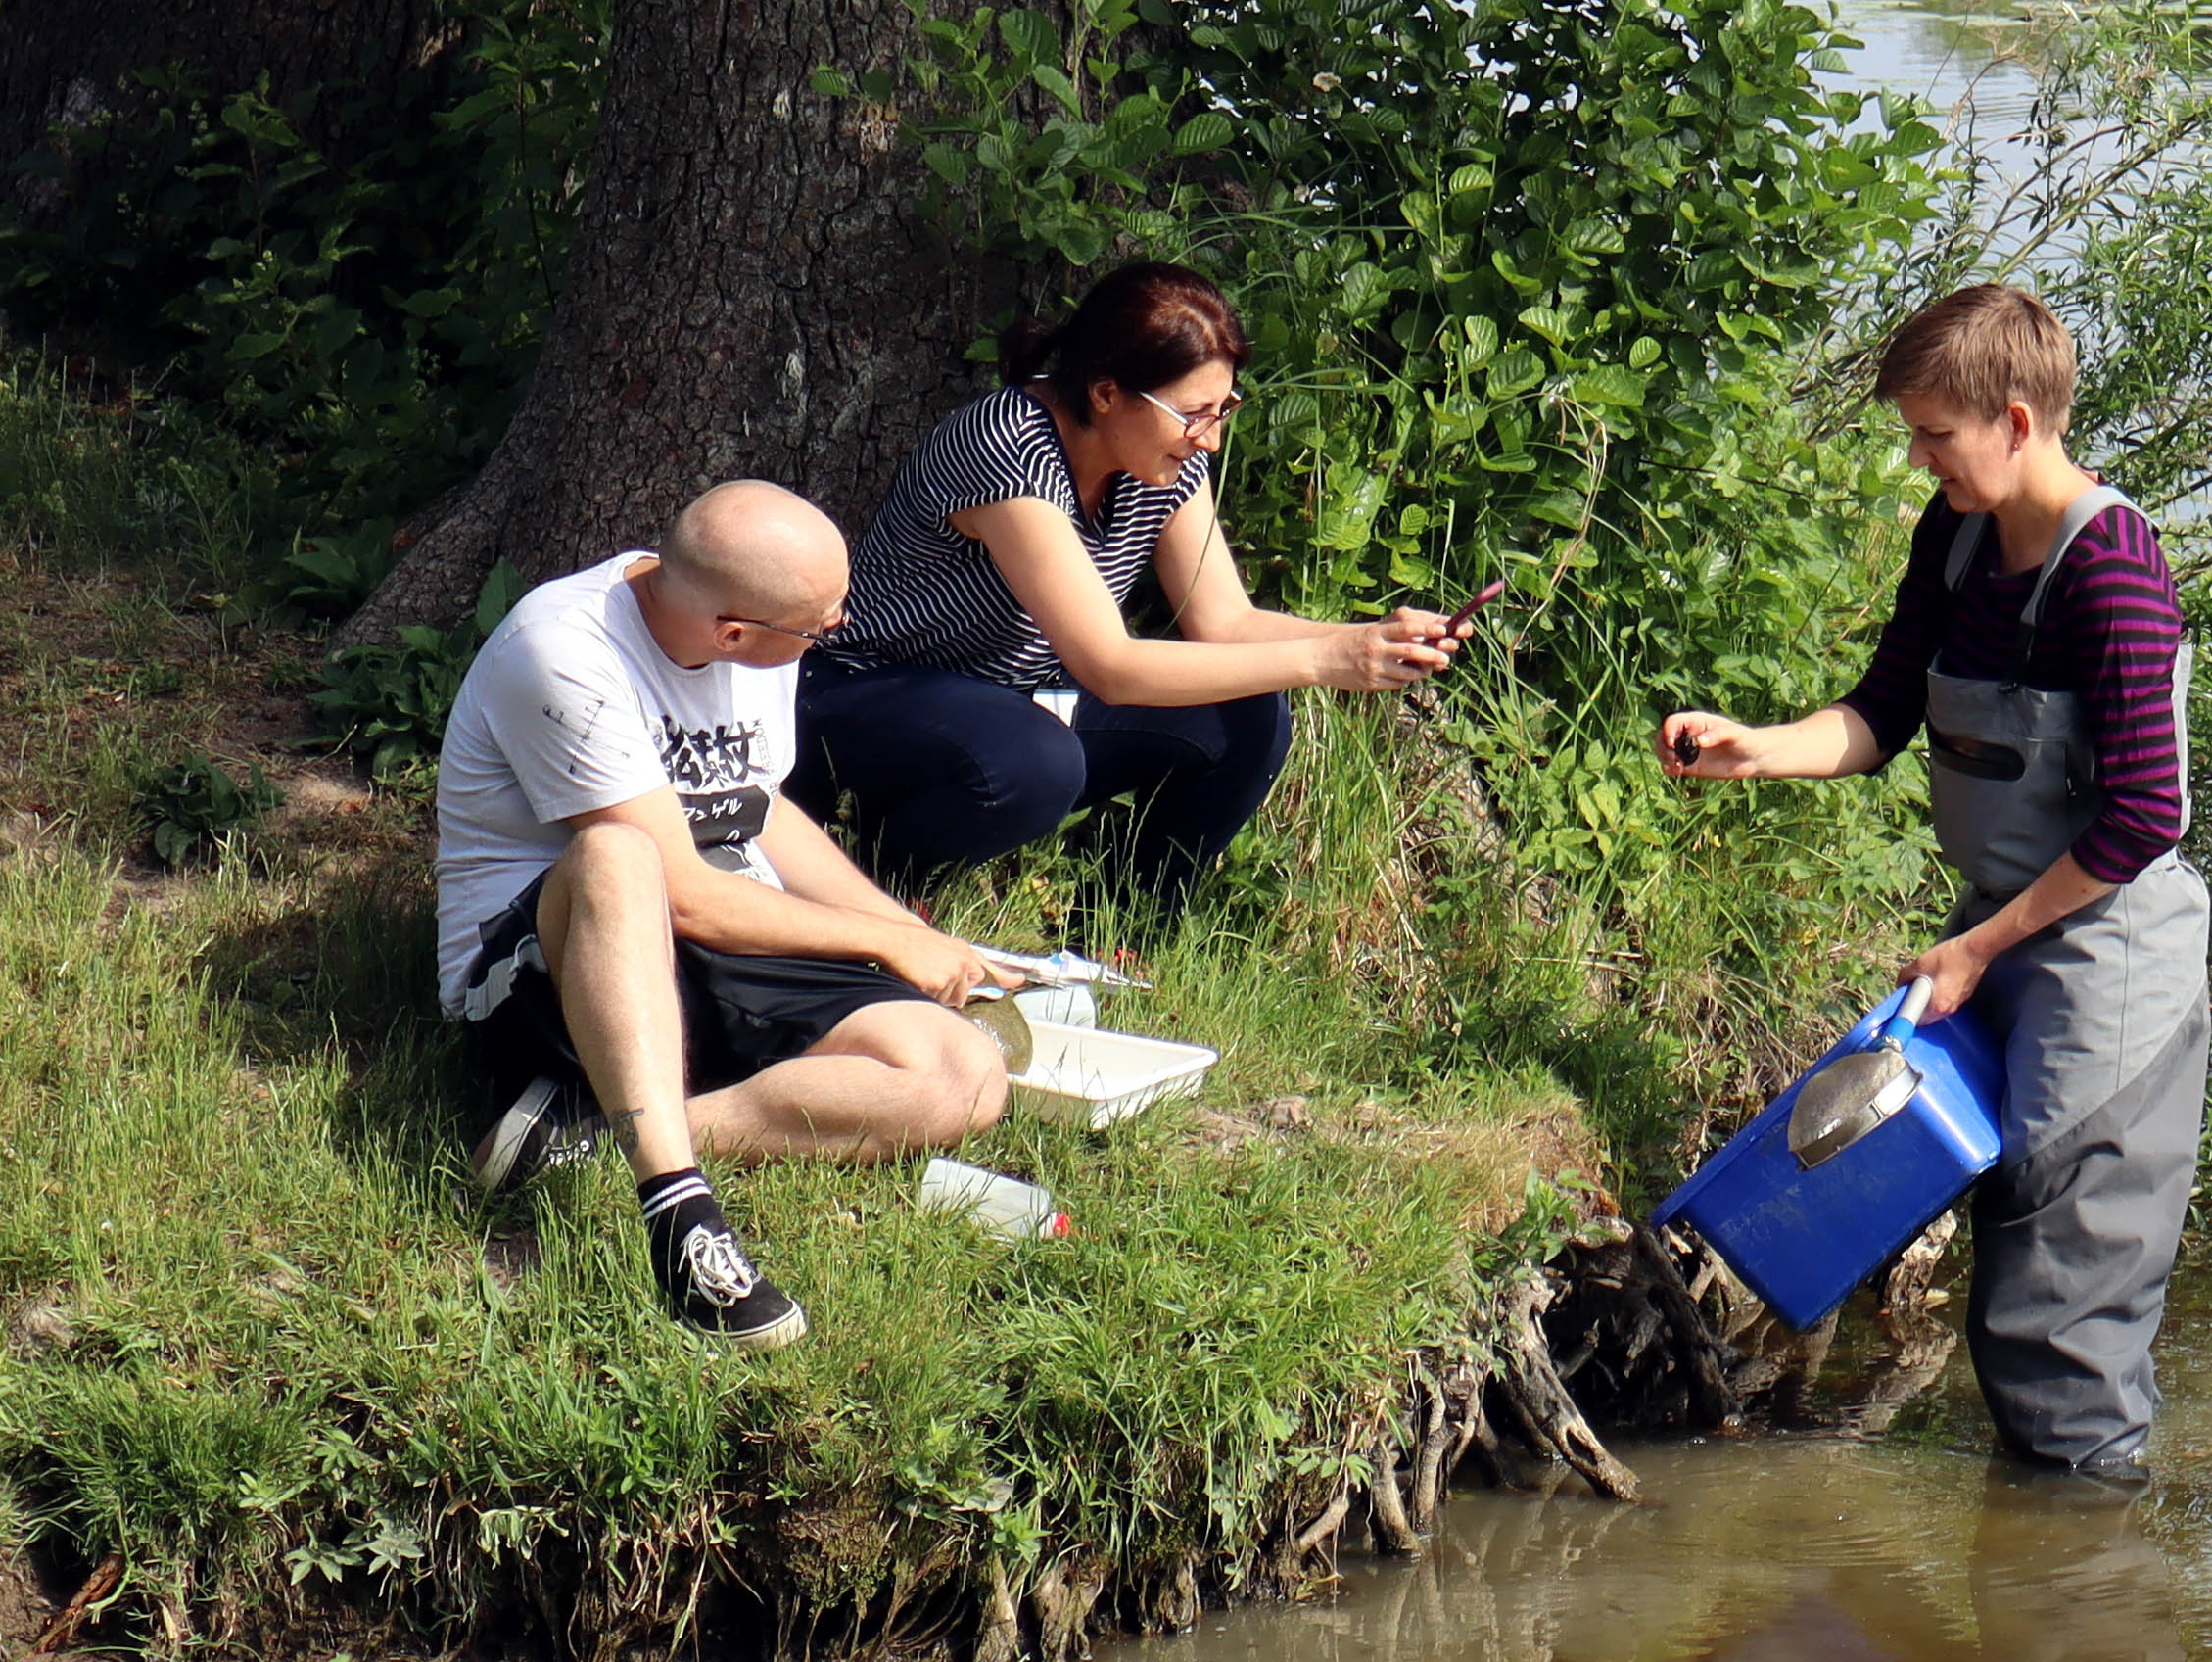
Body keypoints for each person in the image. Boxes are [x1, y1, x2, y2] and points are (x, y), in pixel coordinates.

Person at [1660, 284, 2208, 1490]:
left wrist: (1972, 951)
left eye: (1934, 435)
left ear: (2016, 420)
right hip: (2009, 939)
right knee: (2009, 1247)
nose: (1919, 457)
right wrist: (1755, 745)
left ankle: (2083, 1574)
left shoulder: (2113, 573)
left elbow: (2145, 818)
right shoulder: (1954, 538)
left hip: (2110, 957)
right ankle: (2043, 1582)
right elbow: (1882, 713)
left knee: (2062, 1285)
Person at [435, 481, 1013, 1351]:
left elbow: (762, 809)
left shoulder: (748, 641)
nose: (839, 626)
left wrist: (922, 939)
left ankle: (587, 1133)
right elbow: (686, 894)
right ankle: (679, 1211)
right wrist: (883, 939)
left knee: (963, 1075)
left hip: (719, 940)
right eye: (821, 625)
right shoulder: (561, 651)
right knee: (617, 853)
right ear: (732, 631)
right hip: (551, 966)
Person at [786, 259, 1452, 907]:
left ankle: (1124, 928)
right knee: (1035, 759)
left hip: (1007, 700)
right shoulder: (1008, 446)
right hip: (861, 689)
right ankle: (875, 881)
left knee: (1249, 712)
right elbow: (1110, 665)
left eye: (1224, 409)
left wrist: (1370, 639)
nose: (1212, 438)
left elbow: (1226, 624)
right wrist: (1325, 659)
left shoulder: (1162, 460)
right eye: (1196, 412)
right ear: (1105, 394)